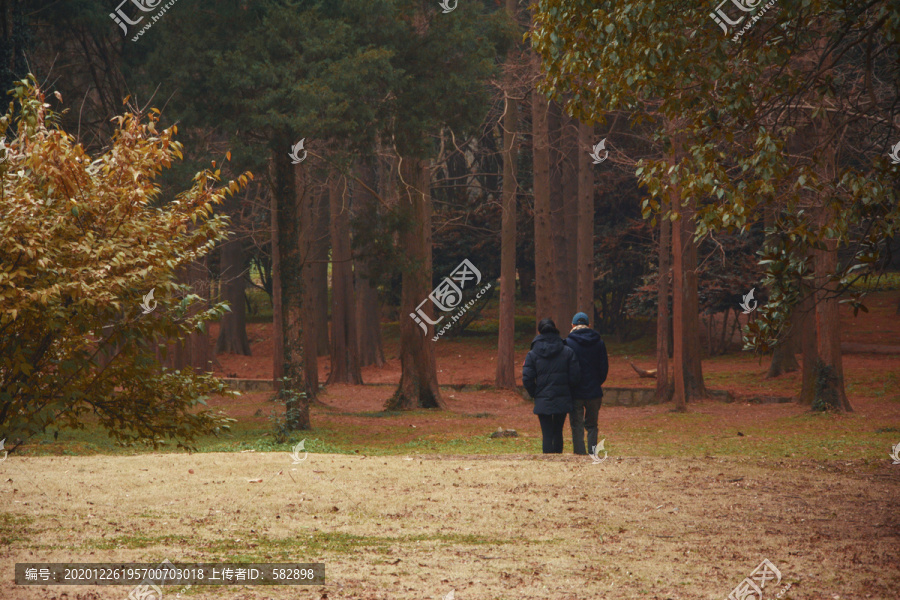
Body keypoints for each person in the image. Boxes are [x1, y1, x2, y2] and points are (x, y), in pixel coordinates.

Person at [522, 318, 581, 454]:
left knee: (547, 433)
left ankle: (548, 461)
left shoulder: (532, 354)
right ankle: (558, 458)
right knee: (558, 431)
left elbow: (527, 378)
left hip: (542, 397)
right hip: (562, 396)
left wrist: (535, 393)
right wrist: (568, 390)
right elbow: (575, 375)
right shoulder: (567, 351)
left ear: (539, 332)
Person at [564, 311, 609, 455]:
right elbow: (604, 368)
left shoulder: (568, 343)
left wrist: (571, 384)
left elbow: (566, 368)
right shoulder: (599, 343)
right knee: (592, 425)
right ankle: (592, 453)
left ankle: (579, 453)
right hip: (594, 392)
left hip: (575, 392)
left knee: (576, 425)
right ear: (589, 325)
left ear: (572, 325)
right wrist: (596, 382)